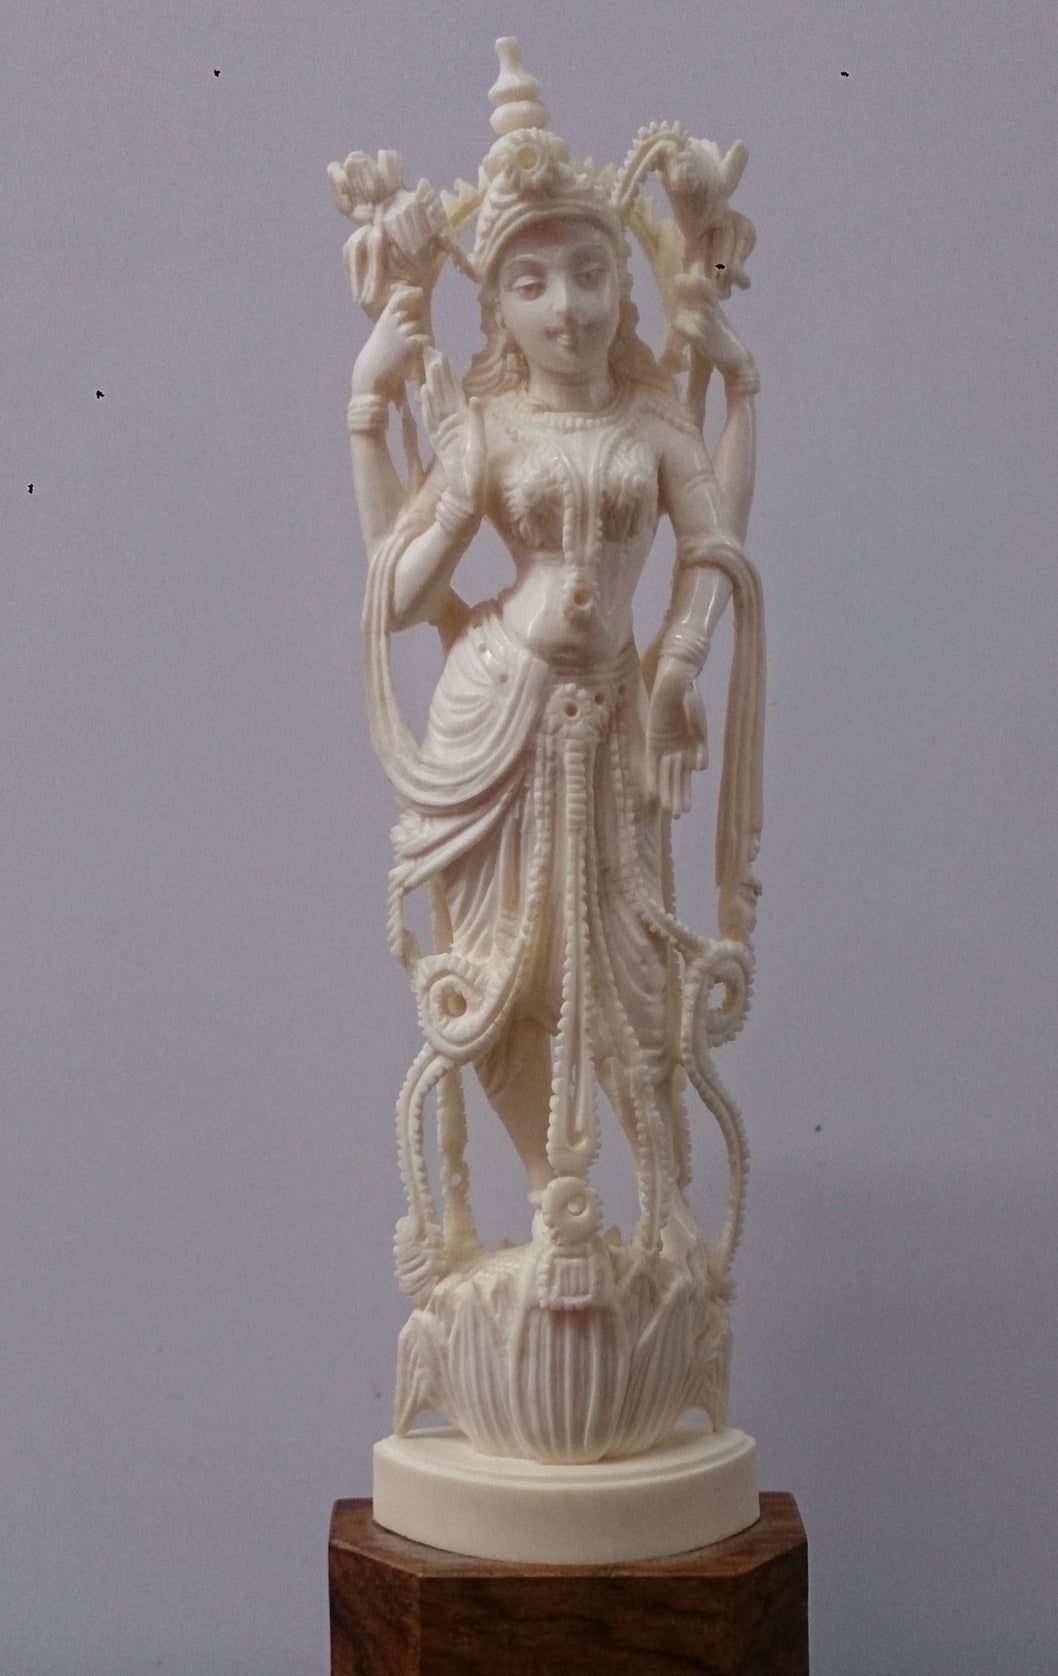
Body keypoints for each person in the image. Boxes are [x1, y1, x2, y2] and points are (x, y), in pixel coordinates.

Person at [341, 101, 765, 1458]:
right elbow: (406, 591)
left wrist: (680, 665)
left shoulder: (653, 417)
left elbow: (713, 548)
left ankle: (661, 1218)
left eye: (589, 273)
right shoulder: (482, 428)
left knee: (633, 974)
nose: (567, 305)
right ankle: (540, 1203)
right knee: (496, 981)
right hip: (496, 716)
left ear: (622, 284)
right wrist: (370, 416)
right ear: (498, 308)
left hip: (616, 722)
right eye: (531, 282)